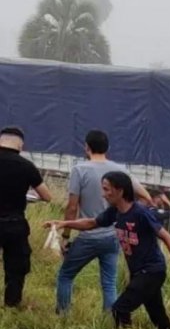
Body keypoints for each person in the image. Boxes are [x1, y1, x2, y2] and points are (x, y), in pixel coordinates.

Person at [45, 172, 170, 329]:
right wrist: (64, 223)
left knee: (119, 309)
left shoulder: (141, 213)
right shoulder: (115, 212)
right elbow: (92, 223)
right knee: (157, 314)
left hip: (152, 271)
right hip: (138, 272)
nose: (103, 194)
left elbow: (168, 238)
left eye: (107, 190)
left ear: (120, 191)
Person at [56, 130, 153, 314]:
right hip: (112, 236)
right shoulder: (120, 170)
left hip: (89, 235)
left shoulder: (79, 170)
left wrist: (66, 236)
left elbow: (71, 207)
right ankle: (110, 319)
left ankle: (63, 315)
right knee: (109, 283)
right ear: (107, 148)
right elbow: (145, 196)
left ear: (87, 147)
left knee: (65, 275)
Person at [0, 126, 52, 308]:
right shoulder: (26, 166)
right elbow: (47, 196)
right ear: (21, 145)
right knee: (16, 267)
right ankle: (12, 304)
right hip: (14, 224)